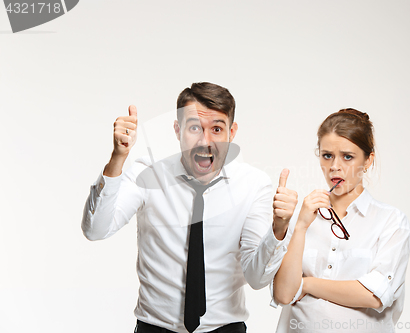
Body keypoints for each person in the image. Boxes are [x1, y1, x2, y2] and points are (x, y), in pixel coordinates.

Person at [81, 82, 297, 333]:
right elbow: (95, 230)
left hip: (225, 329)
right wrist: (118, 157)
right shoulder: (148, 175)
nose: (205, 141)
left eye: (217, 129)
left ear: (232, 132)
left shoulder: (253, 184)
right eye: (194, 127)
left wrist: (279, 228)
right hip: (155, 328)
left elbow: (257, 278)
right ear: (177, 129)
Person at [271, 109, 410, 333]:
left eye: (348, 156)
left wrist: (307, 284)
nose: (335, 166)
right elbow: (285, 294)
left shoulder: (391, 221)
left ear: (368, 160)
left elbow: (374, 295)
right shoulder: (305, 217)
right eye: (327, 155)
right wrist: (299, 226)